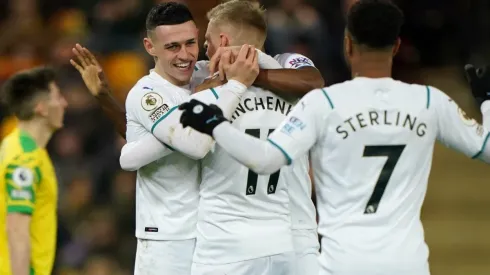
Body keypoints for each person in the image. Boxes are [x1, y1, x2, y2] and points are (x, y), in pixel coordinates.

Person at [178, 0, 490, 274]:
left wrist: (216, 123)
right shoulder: (429, 101)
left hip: (340, 259)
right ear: (396, 46)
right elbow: (485, 148)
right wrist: (486, 103)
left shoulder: (325, 103)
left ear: (347, 45)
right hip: (406, 261)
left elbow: (264, 159)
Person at [71, 2, 324, 275]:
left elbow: (313, 81)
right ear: (149, 47)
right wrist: (107, 100)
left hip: (226, 236)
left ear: (220, 40)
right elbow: (169, 135)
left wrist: (241, 78)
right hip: (170, 234)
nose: (189, 54)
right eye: (172, 46)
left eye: (194, 42)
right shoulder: (150, 91)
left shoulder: (215, 74)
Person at [0, 67, 67, 275]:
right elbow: (17, 228)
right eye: (57, 97)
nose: (64, 103)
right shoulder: (25, 160)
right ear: (41, 108)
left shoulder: (18, 147)